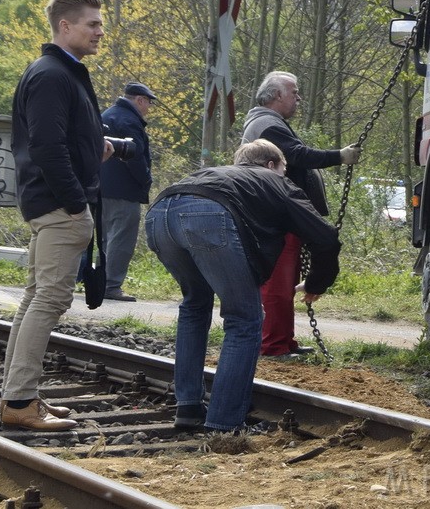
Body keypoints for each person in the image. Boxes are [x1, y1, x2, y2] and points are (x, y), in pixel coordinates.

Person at [144, 139, 341, 432]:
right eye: (284, 170)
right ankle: (225, 423)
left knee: (195, 306)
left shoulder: (219, 174)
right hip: (208, 216)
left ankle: (188, 407)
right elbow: (325, 236)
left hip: (160, 214)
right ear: (272, 165)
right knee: (245, 319)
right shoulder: (275, 182)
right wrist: (317, 282)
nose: (285, 176)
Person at [2, 0, 114, 432]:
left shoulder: (62, 73)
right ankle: (20, 401)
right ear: (64, 26)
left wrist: (93, 148)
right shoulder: (52, 75)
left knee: (35, 298)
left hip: (50, 203)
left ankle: (19, 396)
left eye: (100, 24)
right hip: (58, 207)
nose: (100, 32)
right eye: (92, 24)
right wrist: (74, 203)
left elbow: (58, 140)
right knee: (48, 300)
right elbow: (47, 147)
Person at [241, 71, 360, 358]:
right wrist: (339, 156)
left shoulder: (267, 122)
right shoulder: (269, 125)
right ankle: (272, 345)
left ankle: (283, 340)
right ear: (277, 95)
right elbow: (298, 155)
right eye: (293, 92)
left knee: (286, 282)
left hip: (280, 214)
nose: (298, 98)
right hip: (278, 215)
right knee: (278, 284)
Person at [100, 81, 157, 302]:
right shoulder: (130, 121)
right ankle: (111, 285)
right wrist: (146, 180)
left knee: (103, 239)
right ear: (140, 100)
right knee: (121, 240)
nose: (149, 108)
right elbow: (135, 157)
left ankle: (96, 280)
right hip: (124, 190)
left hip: (100, 187)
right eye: (149, 103)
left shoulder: (107, 115)